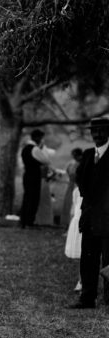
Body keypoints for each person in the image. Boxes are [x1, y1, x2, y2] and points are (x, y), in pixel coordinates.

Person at [68, 117, 109, 309]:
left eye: (101, 131)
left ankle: (108, 299)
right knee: (88, 260)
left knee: (108, 261)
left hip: (107, 218)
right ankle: (87, 298)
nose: (98, 135)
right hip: (90, 217)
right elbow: (81, 181)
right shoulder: (88, 154)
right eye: (95, 131)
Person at [20, 129, 48, 228]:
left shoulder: (24, 148)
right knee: (33, 198)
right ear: (37, 138)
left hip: (26, 175)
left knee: (27, 197)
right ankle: (29, 222)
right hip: (34, 175)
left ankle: (23, 221)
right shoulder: (35, 149)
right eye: (40, 138)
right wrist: (42, 148)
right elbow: (45, 160)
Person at [61, 148, 84, 228]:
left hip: (77, 185)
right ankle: (67, 223)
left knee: (75, 205)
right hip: (71, 185)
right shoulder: (71, 163)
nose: (74, 157)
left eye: (76, 155)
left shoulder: (82, 163)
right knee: (68, 203)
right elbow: (67, 172)